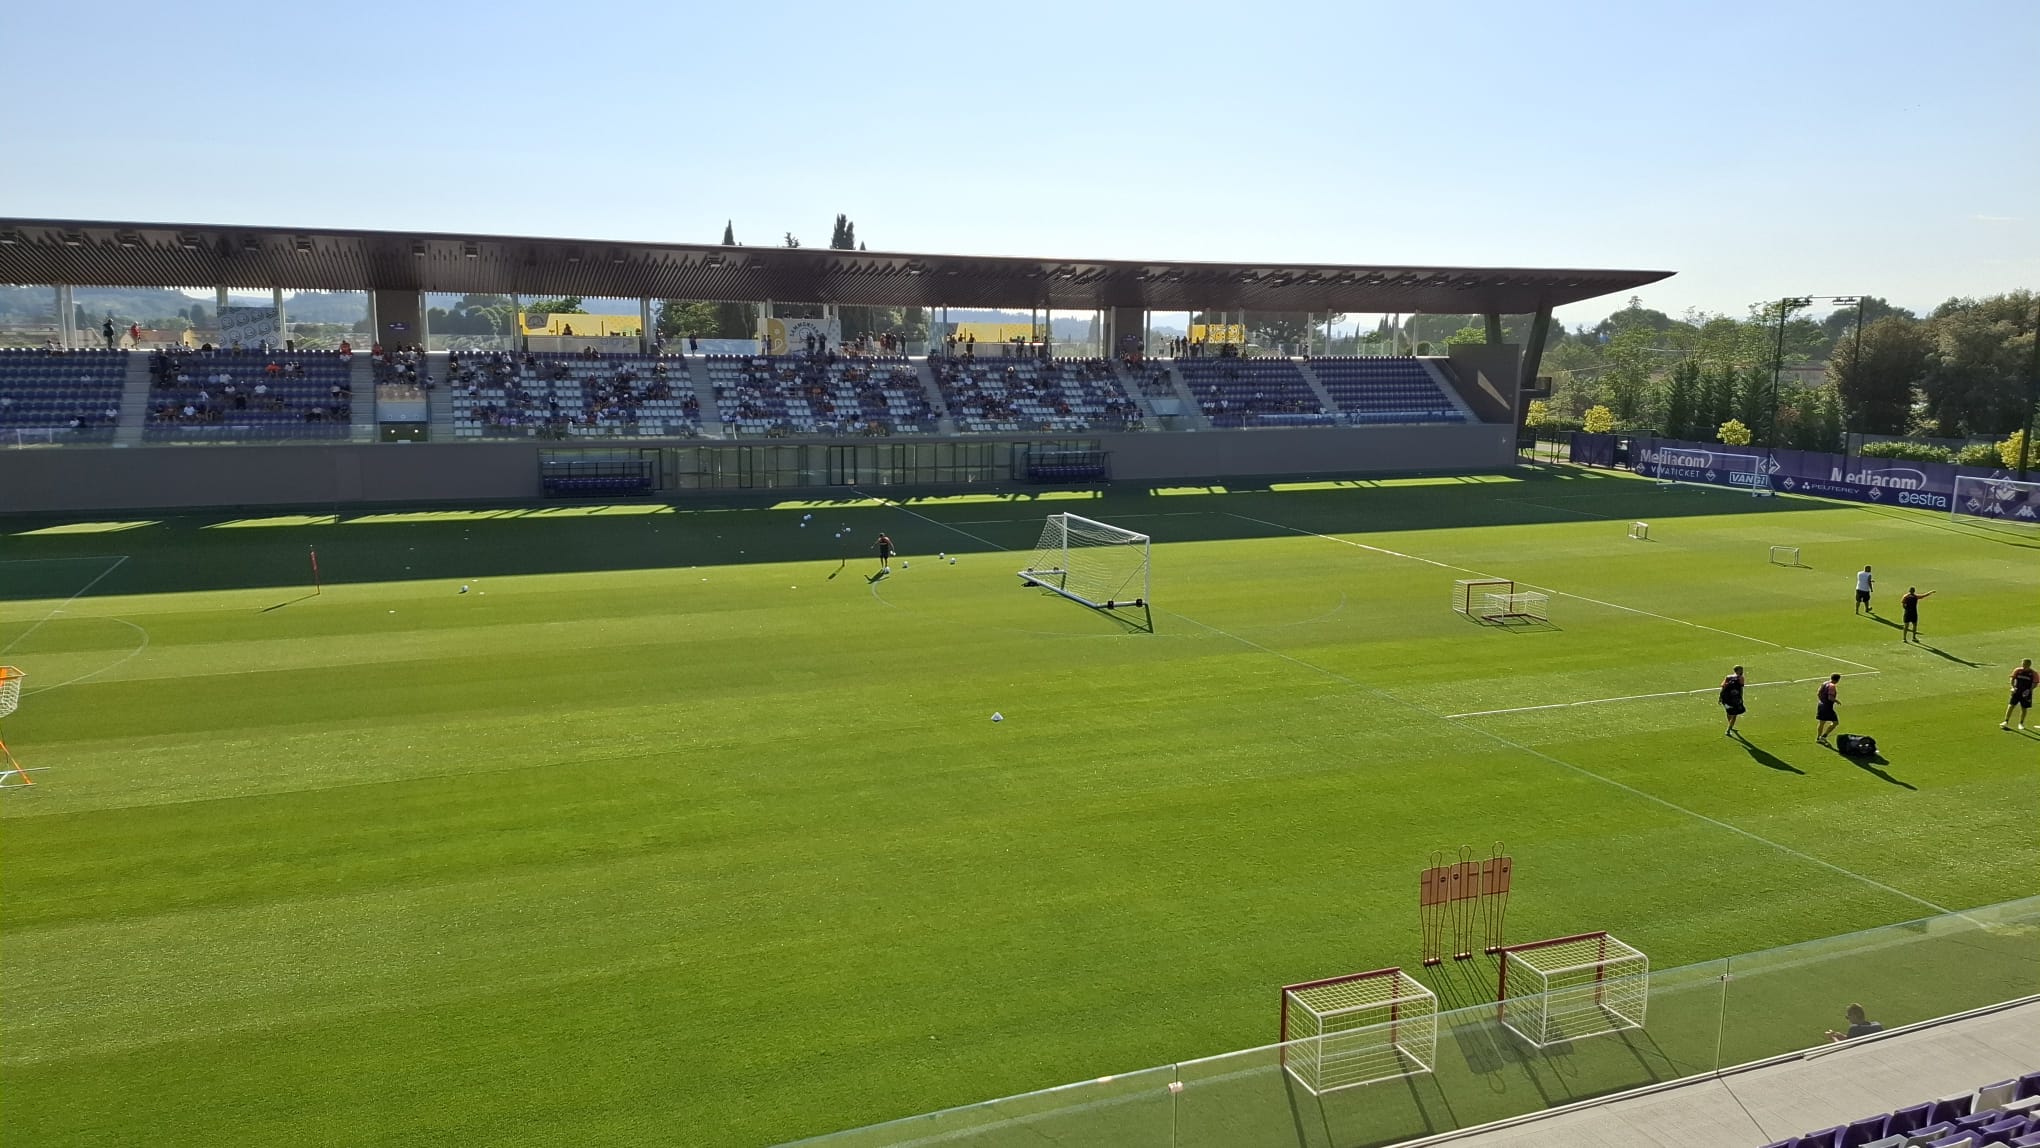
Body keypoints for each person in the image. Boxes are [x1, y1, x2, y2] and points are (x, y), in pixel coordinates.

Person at [2006, 659, 2036, 731]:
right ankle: (2006, 721)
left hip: (2026, 693)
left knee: (2024, 708)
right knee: (2011, 705)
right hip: (2017, 691)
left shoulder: (2033, 673)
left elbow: (2035, 683)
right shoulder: (2018, 670)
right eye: (2022, 663)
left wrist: (2029, 690)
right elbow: (2012, 678)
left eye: (2024, 664)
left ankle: (2021, 723)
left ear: (2028, 664)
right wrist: (2012, 687)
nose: (2023, 665)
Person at [1719, 666, 1746, 737]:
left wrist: (1720, 697)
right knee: (1734, 715)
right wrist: (1741, 698)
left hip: (1726, 698)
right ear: (1738, 671)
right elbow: (1741, 689)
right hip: (1735, 699)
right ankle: (1728, 729)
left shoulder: (1728, 677)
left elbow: (1723, 687)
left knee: (1729, 712)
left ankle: (1730, 724)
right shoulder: (1741, 678)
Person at [1815, 673, 1842, 745]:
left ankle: (1818, 738)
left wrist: (1821, 700)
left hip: (1821, 704)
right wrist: (1836, 701)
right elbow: (1830, 698)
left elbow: (1818, 693)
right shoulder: (1832, 686)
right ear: (1838, 680)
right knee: (1835, 723)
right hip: (1827, 707)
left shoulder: (1825, 683)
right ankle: (1824, 736)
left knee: (1821, 723)